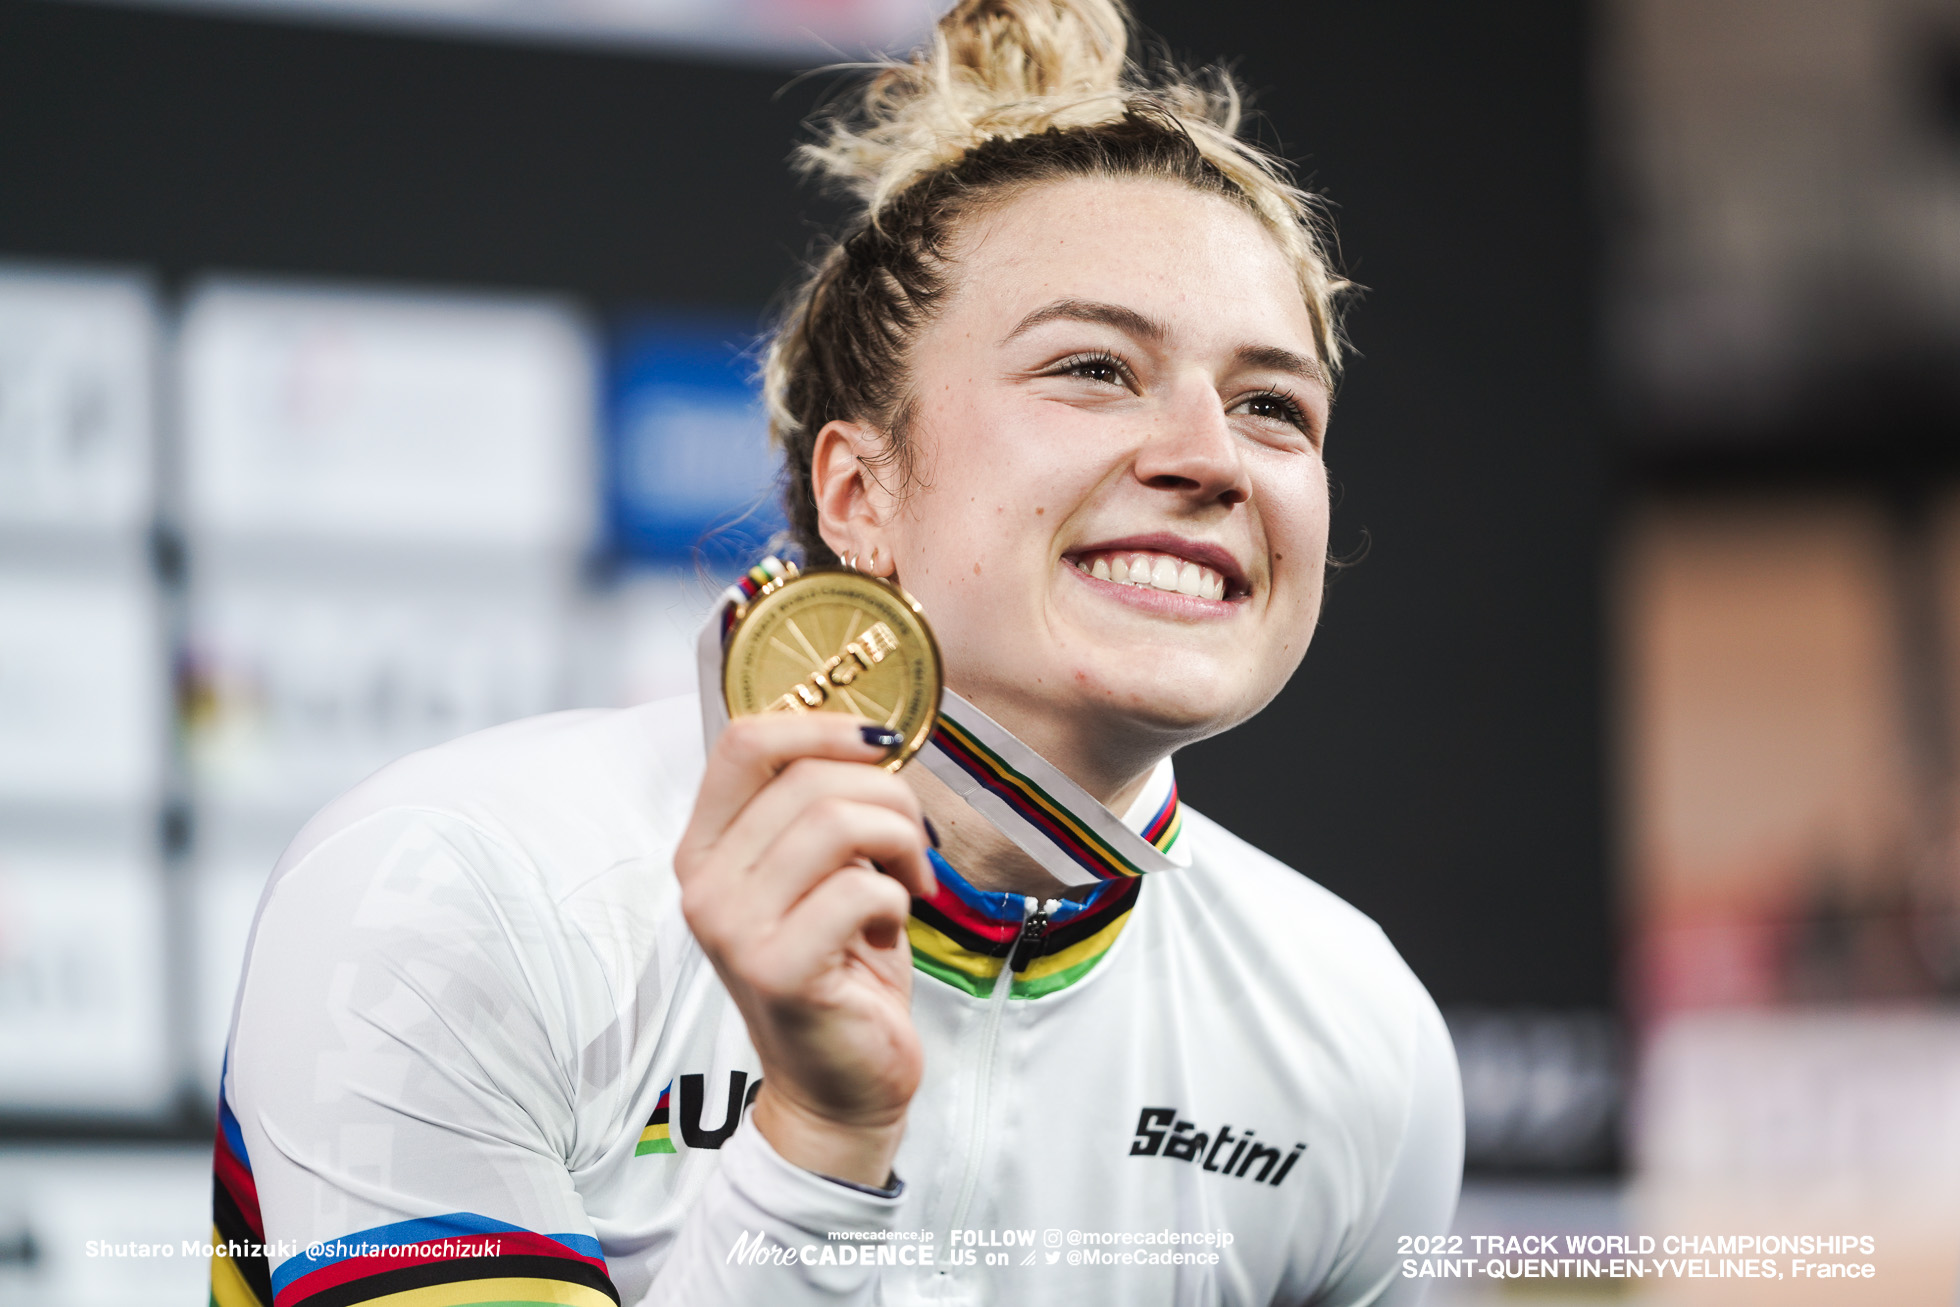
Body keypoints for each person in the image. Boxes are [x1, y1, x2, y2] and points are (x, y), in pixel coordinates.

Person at [208, 2, 1463, 1304]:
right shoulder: (462, 885)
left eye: (1274, 406)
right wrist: (817, 1146)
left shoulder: (1360, 1039)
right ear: (862, 494)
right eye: (1093, 368)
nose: (1209, 459)